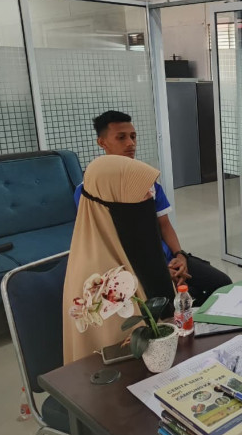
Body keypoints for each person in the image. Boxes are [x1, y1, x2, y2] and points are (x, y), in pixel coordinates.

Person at [75, 110, 231, 305]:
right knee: (176, 301)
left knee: (222, 284)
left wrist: (180, 255)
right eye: (121, 137)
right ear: (102, 142)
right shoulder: (90, 192)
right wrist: (159, 271)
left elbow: (164, 225)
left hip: (167, 258)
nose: (130, 143)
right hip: (133, 267)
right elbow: (107, 242)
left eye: (133, 136)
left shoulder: (147, 182)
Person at [63, 155, 175, 364]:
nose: (150, 196)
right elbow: (125, 351)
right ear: (113, 201)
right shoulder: (96, 278)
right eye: (140, 192)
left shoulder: (129, 242)